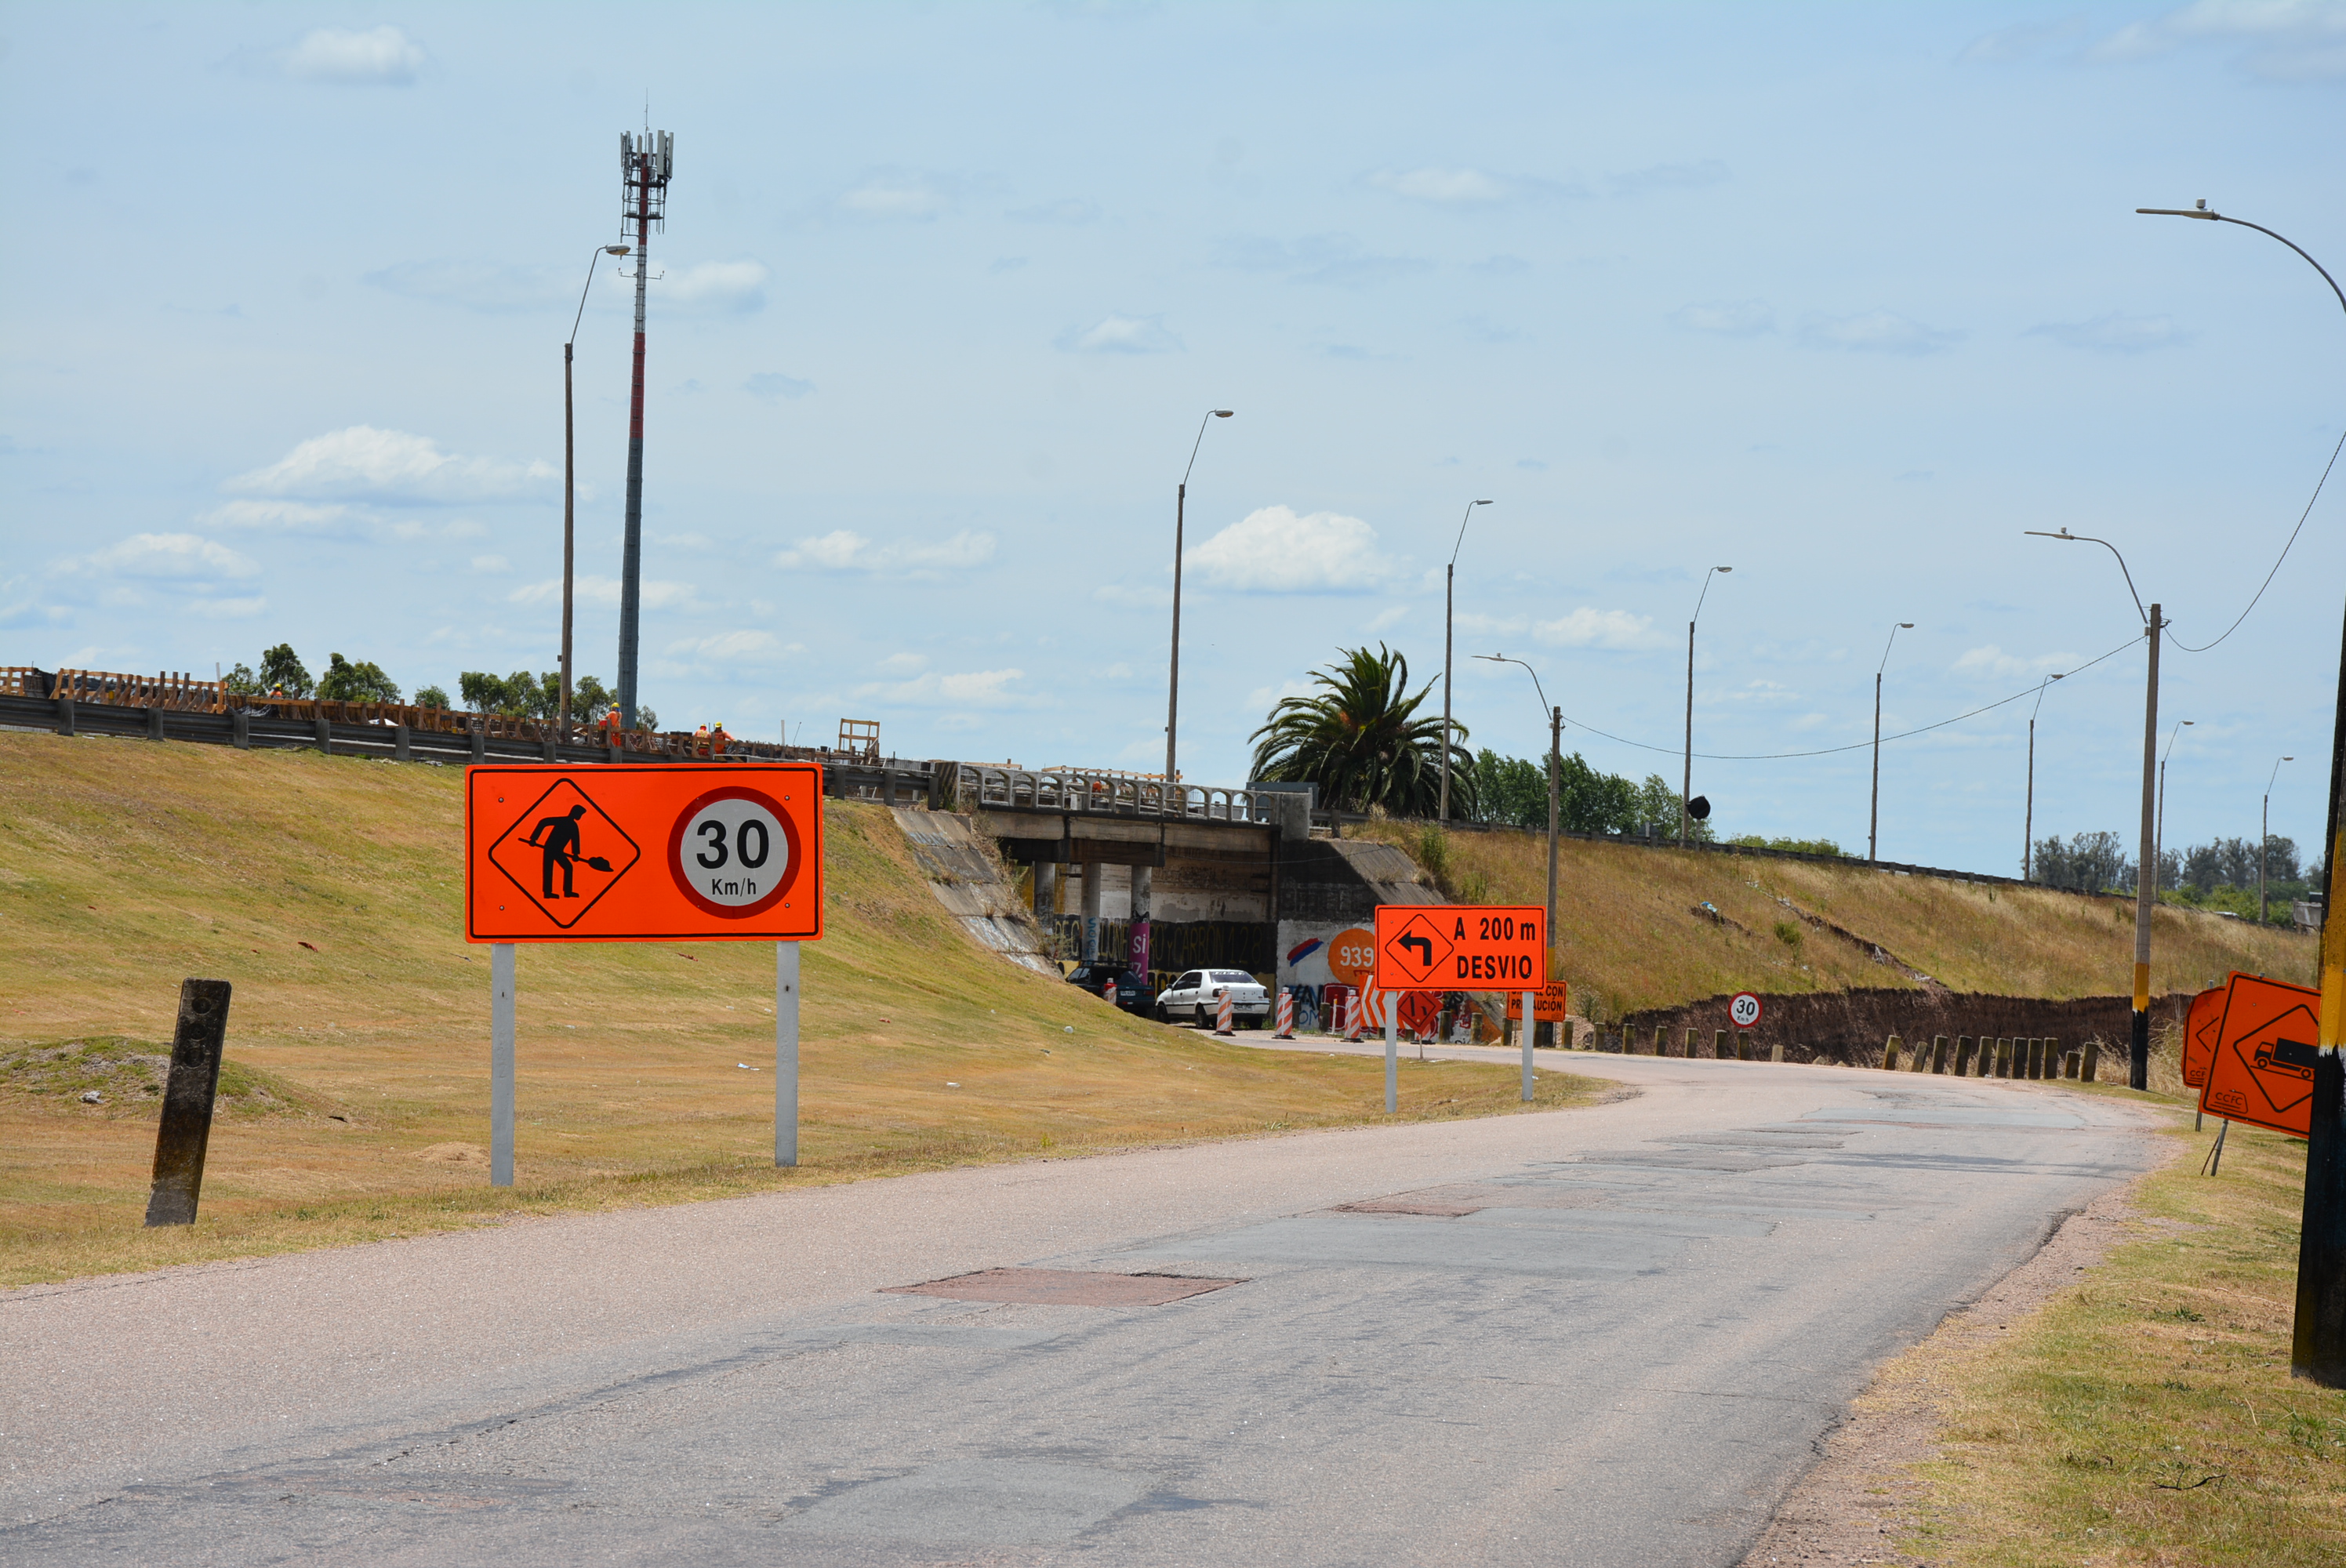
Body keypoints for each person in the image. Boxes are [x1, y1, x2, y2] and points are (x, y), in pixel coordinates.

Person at [526, 804, 589, 898]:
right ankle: (548, 893)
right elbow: (544, 822)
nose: (580, 816)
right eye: (580, 814)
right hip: (550, 848)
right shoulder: (562, 821)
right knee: (548, 869)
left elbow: (575, 840)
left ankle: (567, 892)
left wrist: (576, 854)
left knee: (568, 867)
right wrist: (534, 838)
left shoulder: (574, 826)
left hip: (559, 850)